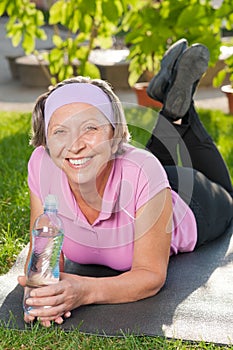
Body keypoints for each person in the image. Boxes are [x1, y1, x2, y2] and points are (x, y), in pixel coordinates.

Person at [18, 39, 233, 327]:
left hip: (191, 204)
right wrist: (43, 291)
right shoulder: (42, 164)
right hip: (141, 181)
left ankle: (184, 109)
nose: (74, 145)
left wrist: (82, 291)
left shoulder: (143, 171)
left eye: (90, 128)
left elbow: (150, 276)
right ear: (46, 140)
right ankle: (171, 108)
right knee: (144, 165)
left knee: (228, 195)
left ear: (114, 133)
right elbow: (42, 245)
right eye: (59, 131)